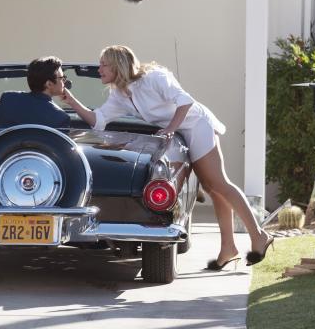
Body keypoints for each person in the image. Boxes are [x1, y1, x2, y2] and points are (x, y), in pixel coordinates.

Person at [63, 45, 273, 270]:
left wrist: (171, 128)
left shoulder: (155, 77)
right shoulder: (120, 94)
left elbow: (185, 100)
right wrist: (71, 100)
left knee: (218, 183)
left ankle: (258, 235)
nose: (100, 69)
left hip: (196, 125)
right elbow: (99, 121)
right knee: (213, 189)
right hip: (178, 132)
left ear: (118, 64)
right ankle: (228, 248)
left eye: (104, 64)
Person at [0, 56, 71, 130]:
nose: (64, 81)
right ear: (48, 84)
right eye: (62, 78)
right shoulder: (60, 118)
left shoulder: (9, 99)